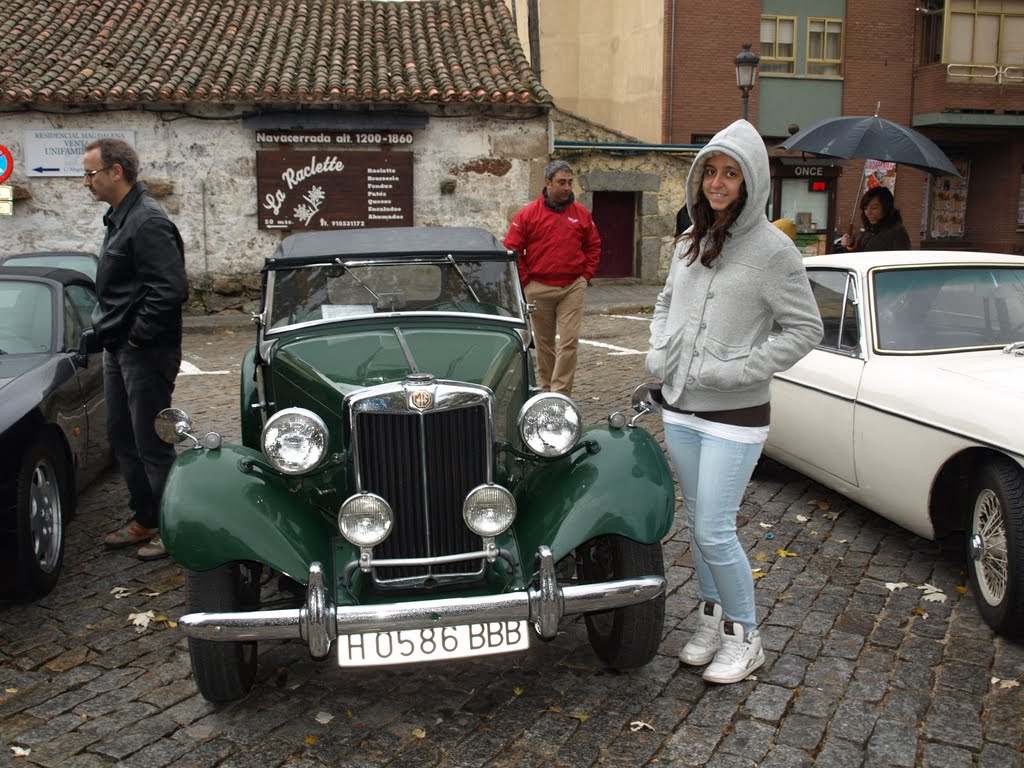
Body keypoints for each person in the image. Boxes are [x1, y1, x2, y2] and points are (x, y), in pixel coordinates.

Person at [646, 120, 822, 684]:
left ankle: (746, 636)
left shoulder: (775, 251)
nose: (718, 183)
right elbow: (664, 301)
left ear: (750, 181)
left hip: (736, 415)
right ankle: (712, 618)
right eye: (711, 173)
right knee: (697, 524)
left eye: (730, 173)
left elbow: (804, 329)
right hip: (681, 408)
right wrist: (657, 355)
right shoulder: (689, 241)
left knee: (717, 528)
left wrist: (735, 370)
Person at [84, 138, 189, 561]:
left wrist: (137, 336)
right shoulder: (120, 218)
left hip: (145, 351)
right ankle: (145, 517)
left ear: (116, 172)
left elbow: (170, 288)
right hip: (121, 346)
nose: (85, 182)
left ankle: (171, 527)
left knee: (152, 442)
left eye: (91, 173)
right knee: (121, 435)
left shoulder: (146, 221)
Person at [504, 160, 601, 396]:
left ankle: (561, 393)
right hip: (539, 288)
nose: (567, 187)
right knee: (545, 344)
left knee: (569, 342)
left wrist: (585, 275)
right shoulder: (528, 214)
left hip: (571, 287)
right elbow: (512, 249)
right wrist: (526, 280)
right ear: (548, 183)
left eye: (570, 182)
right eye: (562, 182)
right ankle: (547, 390)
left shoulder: (581, 214)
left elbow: (594, 245)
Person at [840, 186, 911, 252]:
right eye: (865, 208)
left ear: (886, 208)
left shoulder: (897, 233)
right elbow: (859, 256)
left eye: (874, 208)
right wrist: (851, 244)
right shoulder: (869, 231)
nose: (868, 213)